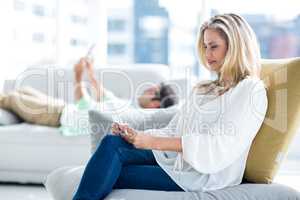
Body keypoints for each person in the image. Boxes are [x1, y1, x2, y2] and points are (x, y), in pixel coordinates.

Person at [72, 13, 268, 200]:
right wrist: (135, 135)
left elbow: (219, 145)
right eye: (205, 46)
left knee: (108, 170)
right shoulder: (204, 90)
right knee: (112, 143)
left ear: (235, 47)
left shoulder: (250, 90)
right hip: (176, 161)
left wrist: (150, 142)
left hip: (202, 175)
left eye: (214, 46)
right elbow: (174, 130)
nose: (207, 54)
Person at [0, 57, 178, 136]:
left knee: (12, 99)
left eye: (150, 92)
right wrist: (90, 73)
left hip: (59, 116)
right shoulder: (129, 106)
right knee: (23, 92)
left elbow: (83, 103)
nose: (144, 90)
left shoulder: (129, 116)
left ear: (155, 105)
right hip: (63, 107)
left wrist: (78, 76)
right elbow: (104, 95)